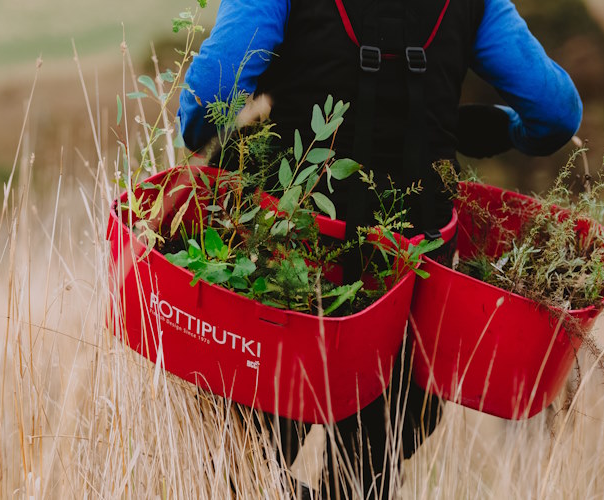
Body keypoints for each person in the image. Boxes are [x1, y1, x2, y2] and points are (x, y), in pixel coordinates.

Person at [177, 0, 582, 498]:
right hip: (416, 285)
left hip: (290, 274)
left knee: (245, 470)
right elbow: (558, 114)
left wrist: (226, 145)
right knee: (366, 476)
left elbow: (210, 98)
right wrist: (498, 127)